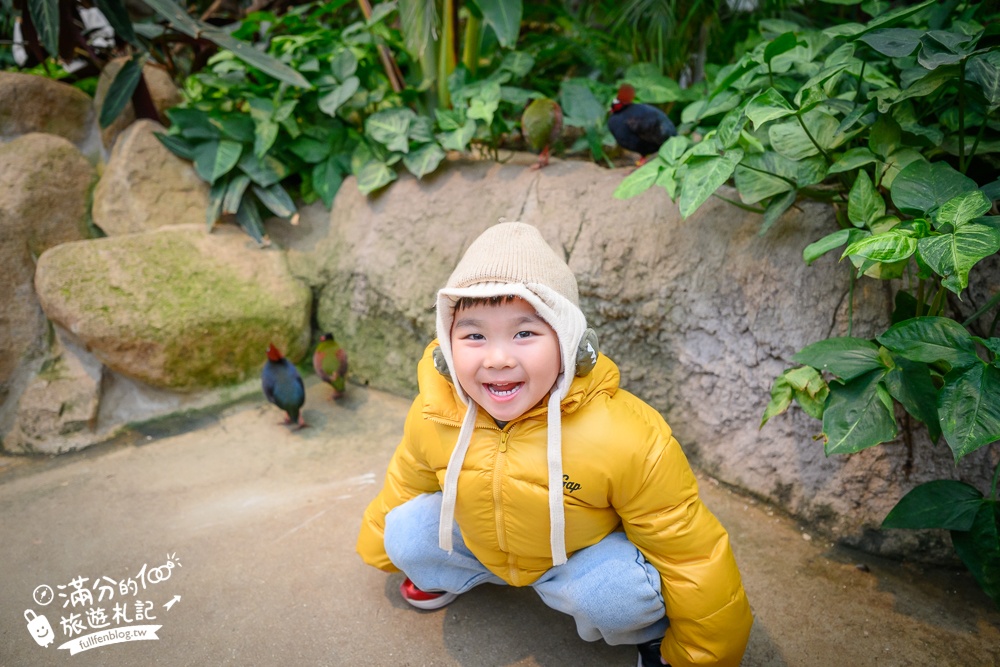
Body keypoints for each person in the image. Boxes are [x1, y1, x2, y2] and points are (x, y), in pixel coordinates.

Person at [356, 221, 753, 667]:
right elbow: (406, 480)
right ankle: (451, 573)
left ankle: (648, 636)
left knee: (617, 597)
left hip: (576, 560)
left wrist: (702, 654)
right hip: (484, 545)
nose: (498, 357)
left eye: (525, 333)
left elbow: (690, 553)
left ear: (570, 344)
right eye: (473, 335)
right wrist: (382, 549)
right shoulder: (435, 410)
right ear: (445, 350)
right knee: (404, 531)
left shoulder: (625, 434)